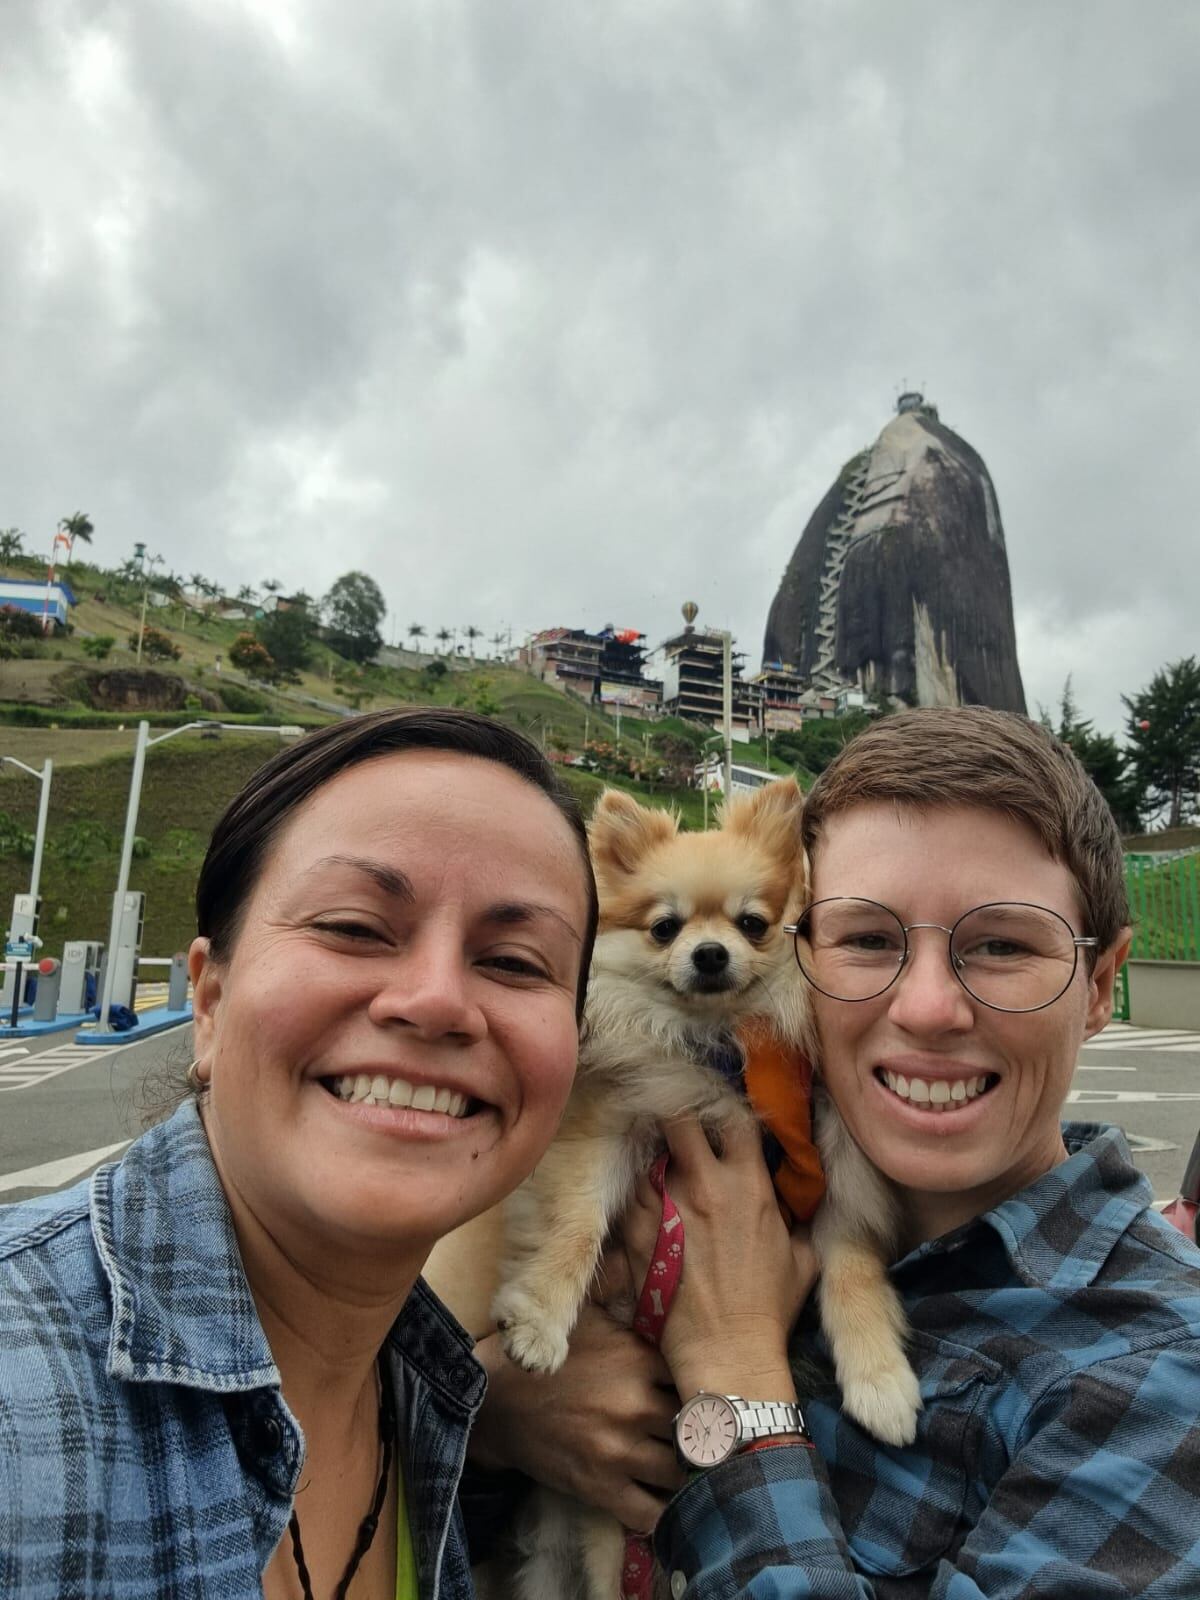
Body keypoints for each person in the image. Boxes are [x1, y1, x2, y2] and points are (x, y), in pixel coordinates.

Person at [470, 706, 1200, 1597]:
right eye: (866, 940)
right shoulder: (760, 1175)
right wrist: (495, 1414)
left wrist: (735, 1379)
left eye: (1001, 944)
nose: (930, 1008)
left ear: (1098, 986)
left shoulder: (1156, 1374)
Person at [0, 708, 598, 1599]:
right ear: (207, 998)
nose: (434, 1001)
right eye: (355, 927)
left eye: (514, 961)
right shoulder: (22, 1404)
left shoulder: (435, 1406)